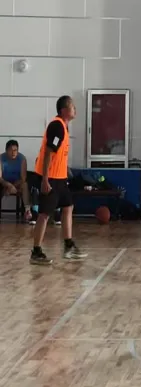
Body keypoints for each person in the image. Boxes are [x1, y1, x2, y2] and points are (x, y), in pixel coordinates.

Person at [30, 96, 86, 266]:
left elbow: (58, 155)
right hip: (50, 178)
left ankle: (68, 246)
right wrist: (45, 180)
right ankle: (36, 252)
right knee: (44, 214)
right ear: (64, 110)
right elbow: (48, 153)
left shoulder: (64, 126)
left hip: (60, 178)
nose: (75, 109)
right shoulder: (57, 126)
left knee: (68, 206)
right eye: (72, 106)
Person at [0, 140, 32, 221]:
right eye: (11, 150)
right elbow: (0, 178)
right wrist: (9, 186)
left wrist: (13, 186)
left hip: (17, 183)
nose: (13, 152)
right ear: (6, 150)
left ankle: (27, 210)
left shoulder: (22, 159)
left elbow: (23, 178)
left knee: (25, 185)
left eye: (15, 150)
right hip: (4, 183)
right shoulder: (1, 158)